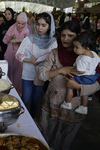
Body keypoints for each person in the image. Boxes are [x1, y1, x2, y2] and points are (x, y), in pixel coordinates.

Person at [38, 21, 100, 150]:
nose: (65, 39)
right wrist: (61, 70)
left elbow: (97, 84)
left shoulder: (88, 57)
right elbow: (42, 75)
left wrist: (78, 87)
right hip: (51, 104)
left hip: (74, 109)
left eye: (70, 36)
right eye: (63, 35)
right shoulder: (55, 53)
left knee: (62, 141)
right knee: (43, 138)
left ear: (78, 36)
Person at [15, 12, 57, 118]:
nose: (40, 28)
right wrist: (30, 60)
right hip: (28, 73)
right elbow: (18, 54)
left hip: (41, 75)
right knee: (26, 98)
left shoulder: (53, 42)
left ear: (50, 26)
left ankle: (32, 118)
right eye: (38, 24)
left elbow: (54, 59)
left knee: (36, 99)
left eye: (44, 25)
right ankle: (20, 117)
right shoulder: (29, 38)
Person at [60, 31, 100, 114]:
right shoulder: (93, 54)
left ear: (87, 48)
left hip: (83, 76)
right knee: (85, 93)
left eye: (76, 47)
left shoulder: (82, 59)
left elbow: (80, 71)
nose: (74, 49)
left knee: (70, 85)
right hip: (92, 77)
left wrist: (72, 71)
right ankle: (84, 107)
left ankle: (67, 103)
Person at [3, 12, 30, 95]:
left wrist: (22, 41)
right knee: (10, 69)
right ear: (16, 22)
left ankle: (18, 91)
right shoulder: (12, 28)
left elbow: (29, 44)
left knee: (19, 71)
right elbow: (4, 40)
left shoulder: (27, 30)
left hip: (21, 54)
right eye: (18, 23)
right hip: (10, 52)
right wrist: (11, 37)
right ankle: (9, 88)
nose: (20, 25)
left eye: (22, 24)